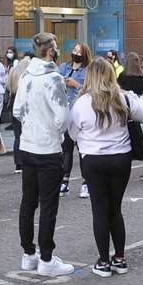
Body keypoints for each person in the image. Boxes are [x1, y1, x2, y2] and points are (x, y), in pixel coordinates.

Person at [67, 58, 143, 276]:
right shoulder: (122, 98)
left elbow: (73, 133)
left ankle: (103, 261)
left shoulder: (81, 103)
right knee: (115, 208)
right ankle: (120, 258)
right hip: (120, 158)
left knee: (100, 210)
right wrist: (130, 96)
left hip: (93, 159)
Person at [13, 32, 74, 275]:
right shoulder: (54, 78)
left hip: (27, 146)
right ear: (51, 51)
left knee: (28, 202)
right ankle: (47, 259)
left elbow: (17, 110)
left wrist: (32, 124)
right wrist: (53, 131)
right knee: (48, 205)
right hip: (48, 148)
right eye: (56, 46)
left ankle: (29, 254)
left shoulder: (26, 75)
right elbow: (63, 117)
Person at [59, 43, 89, 197]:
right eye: (74, 50)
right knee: (66, 150)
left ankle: (86, 182)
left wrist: (76, 84)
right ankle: (64, 181)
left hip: (80, 114)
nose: (75, 53)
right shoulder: (64, 67)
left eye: (79, 51)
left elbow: (90, 90)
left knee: (83, 150)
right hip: (66, 114)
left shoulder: (88, 70)